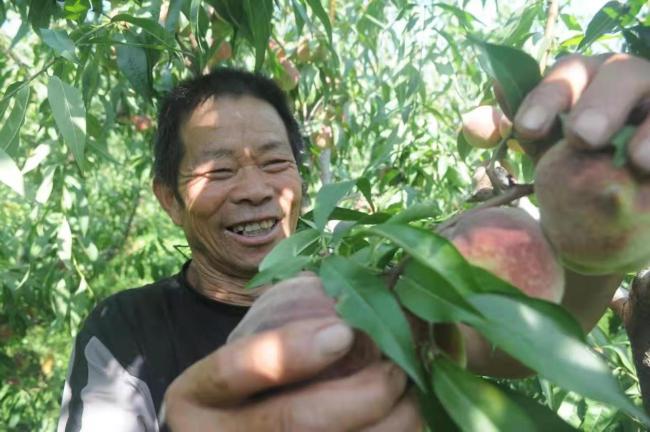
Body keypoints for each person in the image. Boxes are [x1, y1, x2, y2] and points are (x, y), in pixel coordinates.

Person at [57, 53, 650, 431]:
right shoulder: (128, 329)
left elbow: (525, 336)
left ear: (300, 178)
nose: (254, 190)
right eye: (217, 172)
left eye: (273, 161)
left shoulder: (368, 291)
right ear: (168, 197)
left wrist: (600, 209)